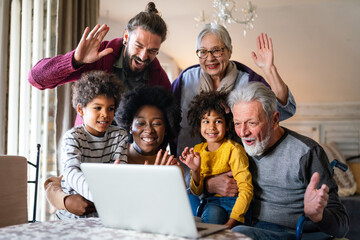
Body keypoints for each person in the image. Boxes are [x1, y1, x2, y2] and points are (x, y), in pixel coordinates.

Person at [172, 24, 296, 190]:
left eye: (217, 50)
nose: (210, 58)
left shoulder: (247, 81)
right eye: (203, 51)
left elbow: (282, 109)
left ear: (230, 51)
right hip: (191, 175)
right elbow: (162, 118)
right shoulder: (186, 80)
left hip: (235, 177)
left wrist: (269, 69)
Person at [228, 82, 349, 239]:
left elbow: (342, 226)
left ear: (275, 119)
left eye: (252, 123)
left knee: (238, 234)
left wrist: (318, 215)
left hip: (296, 234)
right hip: (254, 228)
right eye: (237, 123)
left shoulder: (307, 152)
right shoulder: (236, 148)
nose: (243, 132)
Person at [44, 85, 181, 217]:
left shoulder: (170, 167)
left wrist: (156, 186)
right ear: (129, 125)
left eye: (157, 123)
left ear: (167, 127)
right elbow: (55, 184)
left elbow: (170, 213)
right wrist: (66, 201)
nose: (149, 130)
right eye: (140, 123)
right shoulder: (112, 151)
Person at [28, 2, 171, 126]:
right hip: (88, 152)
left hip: (131, 155)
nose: (143, 56)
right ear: (126, 37)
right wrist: (75, 60)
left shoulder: (159, 78)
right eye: (138, 46)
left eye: (152, 51)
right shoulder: (99, 55)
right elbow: (36, 78)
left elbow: (166, 125)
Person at [57, 71, 128, 219]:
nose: (105, 114)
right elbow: (71, 172)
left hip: (103, 214)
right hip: (71, 216)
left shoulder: (119, 136)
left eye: (110, 108)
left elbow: (120, 173)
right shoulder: (73, 137)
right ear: (81, 110)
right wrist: (99, 195)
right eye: (98, 108)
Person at [179, 91, 253, 229]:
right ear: (199, 125)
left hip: (236, 204)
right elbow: (197, 191)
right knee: (212, 214)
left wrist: (231, 223)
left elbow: (246, 189)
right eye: (206, 121)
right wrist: (195, 170)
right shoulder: (198, 150)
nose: (211, 127)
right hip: (213, 203)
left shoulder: (234, 150)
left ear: (227, 124)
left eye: (218, 121)